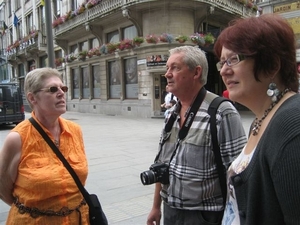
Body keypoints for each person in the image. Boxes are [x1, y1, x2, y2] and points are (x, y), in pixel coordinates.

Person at [214, 14, 300, 224]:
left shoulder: (291, 124)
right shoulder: (261, 119)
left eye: (234, 59)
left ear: (271, 65)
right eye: (222, 62)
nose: (224, 71)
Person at [146, 46, 247, 225]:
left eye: (175, 68)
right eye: (167, 68)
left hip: (205, 216)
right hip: (170, 211)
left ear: (196, 72)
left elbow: (239, 176)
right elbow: (162, 165)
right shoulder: (172, 114)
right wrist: (156, 207)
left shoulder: (222, 112)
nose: (167, 74)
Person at [0, 68, 90, 224]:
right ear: (33, 98)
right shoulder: (17, 138)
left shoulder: (75, 131)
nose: (61, 93)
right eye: (53, 89)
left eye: (63, 88)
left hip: (79, 219)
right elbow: (3, 189)